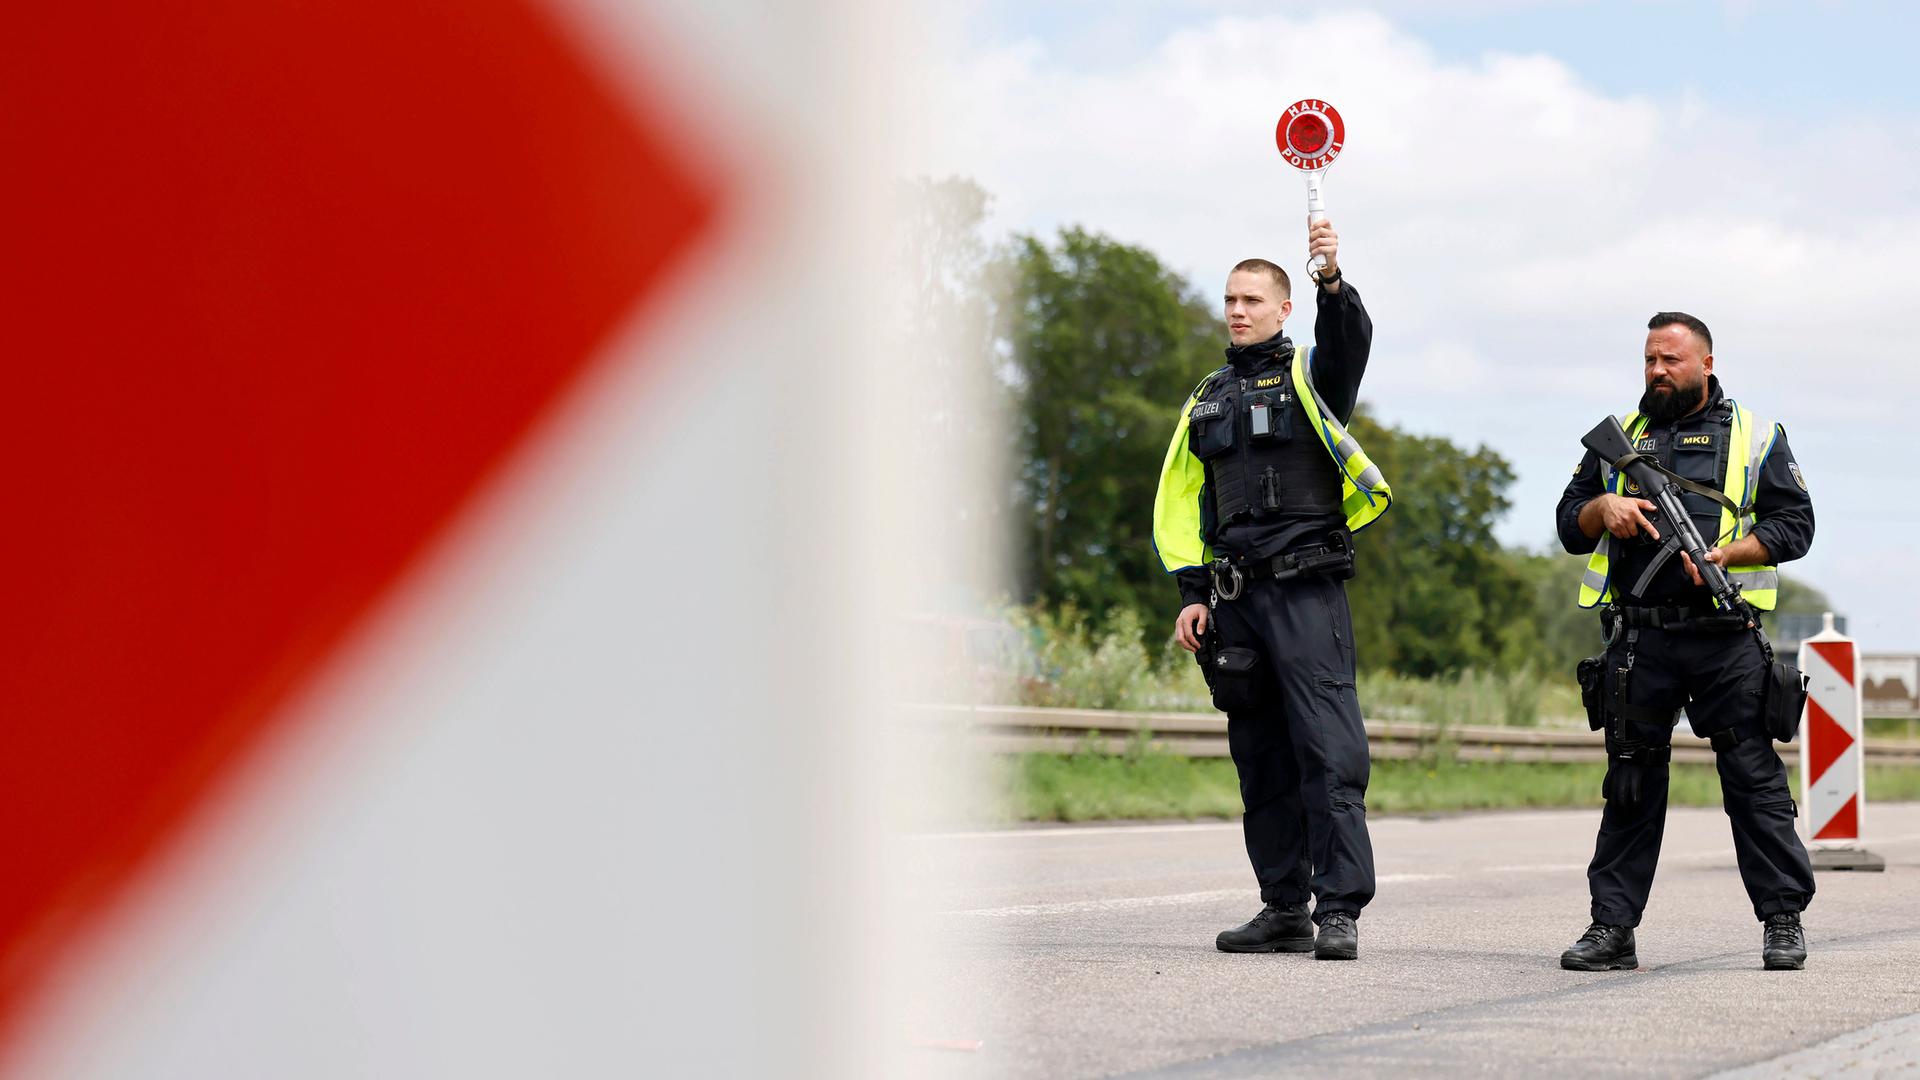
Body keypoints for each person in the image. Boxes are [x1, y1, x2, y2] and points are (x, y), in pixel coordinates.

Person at [1151, 219, 1391, 961]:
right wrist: (1194, 593)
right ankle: (1284, 906)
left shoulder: (1309, 377)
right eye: (1230, 298)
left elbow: (1350, 341)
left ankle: (1340, 908)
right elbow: (1190, 501)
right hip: (1235, 603)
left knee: (1328, 751)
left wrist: (1330, 280)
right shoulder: (1207, 396)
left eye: (1253, 298)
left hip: (1305, 592)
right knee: (1260, 758)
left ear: (1283, 309)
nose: (1238, 310)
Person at [1555, 311, 1816, 972]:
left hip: (1726, 640)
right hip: (1641, 640)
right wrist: (1602, 509)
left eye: (1670, 360)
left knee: (1754, 781)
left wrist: (1734, 553)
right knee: (1631, 784)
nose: (1657, 372)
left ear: (1705, 363)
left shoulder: (1755, 435)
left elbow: (1796, 524)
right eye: (1649, 360)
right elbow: (1569, 523)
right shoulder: (1622, 436)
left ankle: (1782, 920)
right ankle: (1612, 929)